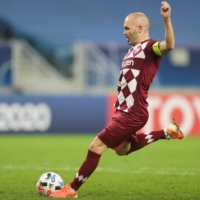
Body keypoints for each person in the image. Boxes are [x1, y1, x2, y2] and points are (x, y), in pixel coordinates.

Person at [50, 1, 184, 198]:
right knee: (123, 149)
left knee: (96, 146)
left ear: (139, 28)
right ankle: (167, 132)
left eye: (126, 28)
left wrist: (166, 20)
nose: (124, 32)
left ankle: (71, 189)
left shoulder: (149, 48)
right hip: (123, 111)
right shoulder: (131, 51)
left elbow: (169, 45)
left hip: (132, 113)